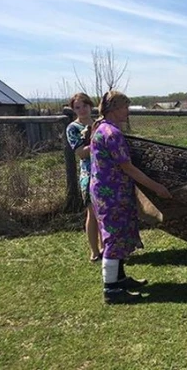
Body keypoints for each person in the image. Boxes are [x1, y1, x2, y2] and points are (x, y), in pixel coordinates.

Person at [90, 91, 172, 304]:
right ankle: (111, 290)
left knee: (119, 233)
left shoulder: (101, 128)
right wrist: (157, 188)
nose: (127, 111)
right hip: (112, 192)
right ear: (115, 108)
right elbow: (128, 168)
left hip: (107, 189)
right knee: (114, 237)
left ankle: (120, 278)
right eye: (125, 107)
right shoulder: (112, 134)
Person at [66, 92, 102, 262]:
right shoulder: (73, 128)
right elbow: (81, 153)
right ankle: (94, 250)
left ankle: (105, 247)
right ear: (73, 110)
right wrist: (97, 141)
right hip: (89, 173)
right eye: (77, 107)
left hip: (105, 172)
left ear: (90, 106)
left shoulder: (99, 123)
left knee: (105, 212)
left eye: (84, 106)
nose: (82, 110)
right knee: (92, 212)